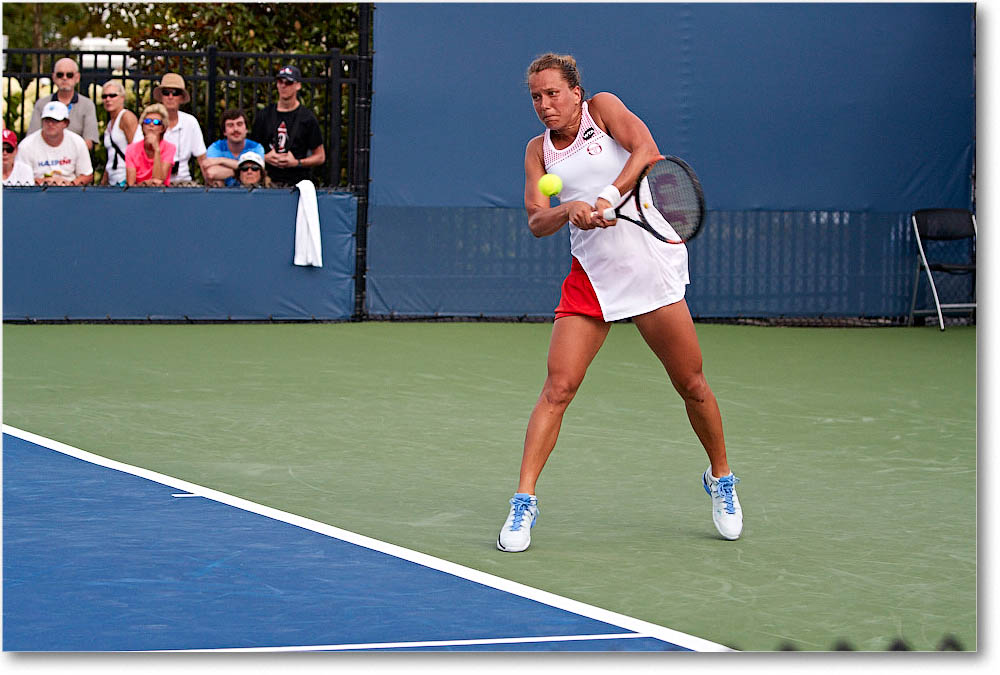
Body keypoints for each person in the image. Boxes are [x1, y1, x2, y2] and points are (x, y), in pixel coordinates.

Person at [496, 53, 743, 553]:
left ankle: (721, 479)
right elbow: (536, 221)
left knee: (692, 384)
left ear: (576, 92)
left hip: (650, 266)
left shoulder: (603, 109)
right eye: (536, 98)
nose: (545, 105)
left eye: (553, 94)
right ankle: (523, 502)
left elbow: (647, 149)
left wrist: (606, 198)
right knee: (557, 388)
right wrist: (570, 209)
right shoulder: (536, 152)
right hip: (592, 278)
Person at [251, 65, 325, 187]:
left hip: (298, 183)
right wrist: (265, 157)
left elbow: (320, 156)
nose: (284, 86)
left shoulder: (307, 118)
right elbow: (251, 149)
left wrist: (297, 163)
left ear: (298, 86)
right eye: (280, 81)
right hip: (267, 181)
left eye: (289, 82)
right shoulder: (264, 115)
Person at [27, 57, 100, 151]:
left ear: (77, 78)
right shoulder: (42, 104)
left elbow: (89, 142)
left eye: (69, 75)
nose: (64, 78)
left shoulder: (87, 105)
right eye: (60, 74)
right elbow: (32, 138)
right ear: (54, 77)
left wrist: (66, 156)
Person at [17, 101, 94, 186]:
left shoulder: (78, 142)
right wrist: (41, 182)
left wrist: (71, 184)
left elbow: (87, 175)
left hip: (70, 193)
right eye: (47, 120)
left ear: (66, 123)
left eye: (55, 120)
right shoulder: (25, 146)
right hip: (37, 193)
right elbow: (21, 179)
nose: (50, 124)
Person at [152, 73, 208, 186]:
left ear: (181, 98)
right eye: (166, 92)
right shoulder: (150, 121)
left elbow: (202, 159)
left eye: (175, 93)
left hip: (184, 181)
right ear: (161, 97)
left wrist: (209, 186)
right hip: (156, 182)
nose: (170, 96)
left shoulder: (190, 122)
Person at [203, 108, 266, 187]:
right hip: (224, 193)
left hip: (250, 191)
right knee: (217, 181)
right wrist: (242, 171)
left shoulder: (256, 147)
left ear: (246, 129)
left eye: (239, 124)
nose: (235, 129)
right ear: (224, 132)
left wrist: (221, 160)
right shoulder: (216, 148)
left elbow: (257, 173)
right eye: (230, 125)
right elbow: (211, 173)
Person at [99, 79, 142, 186]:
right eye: (104, 96)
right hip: (113, 180)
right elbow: (111, 156)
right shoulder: (110, 124)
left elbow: (136, 151)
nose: (108, 99)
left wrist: (131, 182)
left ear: (122, 98)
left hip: (125, 179)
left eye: (112, 95)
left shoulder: (126, 117)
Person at [125, 103, 176, 187]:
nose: (151, 125)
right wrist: (147, 184)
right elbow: (130, 183)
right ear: (142, 126)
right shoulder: (131, 149)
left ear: (163, 128)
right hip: (139, 193)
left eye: (156, 122)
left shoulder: (169, 148)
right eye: (147, 121)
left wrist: (157, 150)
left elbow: (159, 180)